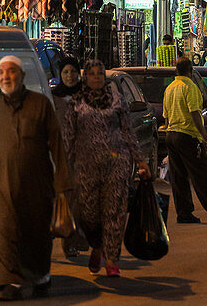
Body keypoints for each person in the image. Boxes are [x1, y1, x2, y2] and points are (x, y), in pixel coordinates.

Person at [0, 55, 71, 301]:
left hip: (37, 184)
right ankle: (9, 282)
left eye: (12, 72)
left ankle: (40, 277)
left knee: (35, 232)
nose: (6, 77)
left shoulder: (40, 104)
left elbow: (56, 143)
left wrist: (63, 184)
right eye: (2, 72)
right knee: (3, 232)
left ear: (22, 76)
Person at [62, 59, 150, 278]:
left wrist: (140, 160)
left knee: (115, 213)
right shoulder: (76, 102)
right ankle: (98, 246)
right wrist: (65, 167)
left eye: (99, 74)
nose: (96, 78)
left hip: (116, 164)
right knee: (89, 213)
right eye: (91, 74)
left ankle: (112, 260)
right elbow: (68, 137)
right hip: (86, 167)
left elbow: (128, 131)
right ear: (85, 78)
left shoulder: (117, 100)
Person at [163, 57, 207, 224]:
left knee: (179, 178)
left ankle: (184, 213)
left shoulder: (170, 88)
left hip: (171, 135)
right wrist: (205, 136)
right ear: (190, 71)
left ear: (176, 70)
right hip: (187, 136)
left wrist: (169, 132)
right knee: (202, 176)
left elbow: (166, 117)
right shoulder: (190, 87)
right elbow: (195, 113)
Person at [50, 57, 85, 260]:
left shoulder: (86, 96)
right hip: (62, 156)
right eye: (65, 72)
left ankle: (80, 237)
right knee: (69, 199)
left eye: (73, 72)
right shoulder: (54, 98)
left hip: (86, 155)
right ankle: (69, 240)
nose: (70, 76)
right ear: (60, 75)